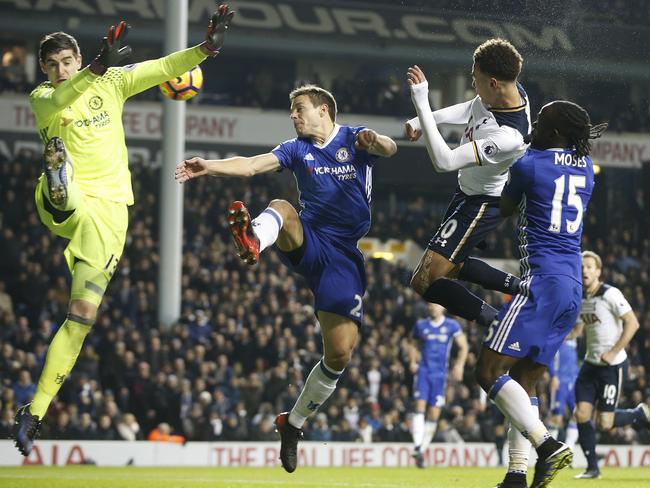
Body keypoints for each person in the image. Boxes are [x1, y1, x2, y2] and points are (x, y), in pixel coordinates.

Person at [12, 4, 235, 457]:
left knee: (82, 316)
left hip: (111, 214)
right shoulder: (43, 98)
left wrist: (206, 47)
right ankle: (57, 181)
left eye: (66, 61)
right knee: (63, 190)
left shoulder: (113, 82)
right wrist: (92, 69)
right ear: (44, 70)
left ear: (76, 58)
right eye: (52, 65)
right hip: (71, 198)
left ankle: (33, 413)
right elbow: (59, 99)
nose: (59, 70)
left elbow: (162, 67)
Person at [175, 84, 397, 472]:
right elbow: (252, 165)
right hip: (308, 238)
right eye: (291, 111)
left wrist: (375, 139)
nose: (293, 116)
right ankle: (254, 240)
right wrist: (209, 166)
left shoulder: (353, 139)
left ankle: (292, 424)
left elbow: (390, 149)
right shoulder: (296, 149)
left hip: (343, 255)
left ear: (324, 110)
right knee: (281, 206)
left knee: (340, 354)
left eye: (299, 109)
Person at [472, 100, 608, 488]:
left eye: (540, 121)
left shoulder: (528, 165)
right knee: (522, 382)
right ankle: (516, 474)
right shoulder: (584, 166)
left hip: (541, 282)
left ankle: (546, 444)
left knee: (486, 371)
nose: (533, 124)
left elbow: (508, 205)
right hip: (570, 287)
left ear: (556, 132)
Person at [406, 38, 528, 328]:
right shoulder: (506, 92)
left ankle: (499, 323)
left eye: (476, 79)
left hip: (483, 203)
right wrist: (424, 120)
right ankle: (522, 289)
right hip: (466, 192)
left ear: (494, 82)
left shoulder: (509, 136)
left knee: (424, 281)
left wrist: (422, 102)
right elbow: (471, 108)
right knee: (452, 264)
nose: (474, 84)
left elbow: (444, 162)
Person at [572, 251, 648, 479]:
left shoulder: (610, 294)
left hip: (612, 366)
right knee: (581, 414)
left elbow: (632, 323)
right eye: (582, 267)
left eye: (589, 267)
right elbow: (579, 330)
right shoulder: (582, 297)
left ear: (598, 271)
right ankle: (592, 468)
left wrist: (613, 351)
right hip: (590, 365)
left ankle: (639, 414)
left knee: (605, 423)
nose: (584, 270)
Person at [408, 303, 468, 468]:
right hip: (423, 372)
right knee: (419, 407)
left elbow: (463, 346)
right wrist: (413, 361)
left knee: (434, 414)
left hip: (440, 375)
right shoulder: (421, 325)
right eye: (430, 304)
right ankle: (417, 446)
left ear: (443, 308)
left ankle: (421, 450)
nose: (432, 307)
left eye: (436, 305)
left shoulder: (451, 325)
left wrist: (460, 365)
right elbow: (412, 343)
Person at [547, 335, 580, 452]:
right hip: (560, 381)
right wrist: (553, 375)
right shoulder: (556, 336)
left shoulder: (574, 337)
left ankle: (569, 450)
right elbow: (549, 356)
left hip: (574, 380)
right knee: (557, 417)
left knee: (578, 414)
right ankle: (549, 453)